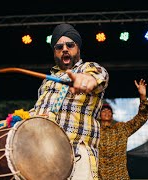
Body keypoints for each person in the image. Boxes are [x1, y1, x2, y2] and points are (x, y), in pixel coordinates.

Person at [29, 23, 109, 180]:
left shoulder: (89, 68)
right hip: (43, 156)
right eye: (59, 47)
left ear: (77, 48)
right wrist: (14, 122)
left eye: (70, 45)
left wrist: (87, 80)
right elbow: (37, 111)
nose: (64, 49)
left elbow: (100, 77)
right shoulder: (46, 82)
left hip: (76, 153)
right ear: (55, 52)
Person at [98, 79, 148, 180]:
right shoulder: (94, 130)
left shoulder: (121, 128)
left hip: (120, 176)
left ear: (112, 115)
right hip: (100, 176)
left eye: (109, 111)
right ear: (99, 115)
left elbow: (141, 118)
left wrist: (143, 96)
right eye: (103, 110)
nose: (106, 112)